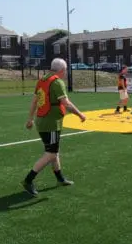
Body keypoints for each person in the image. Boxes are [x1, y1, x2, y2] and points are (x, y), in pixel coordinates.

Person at [22, 58, 86, 196]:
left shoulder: (42, 80)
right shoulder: (57, 82)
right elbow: (66, 104)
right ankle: (28, 180)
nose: (65, 73)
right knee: (51, 153)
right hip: (50, 123)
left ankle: (60, 178)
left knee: (53, 151)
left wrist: (30, 119)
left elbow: (34, 101)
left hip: (42, 120)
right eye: (66, 70)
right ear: (62, 70)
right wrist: (80, 115)